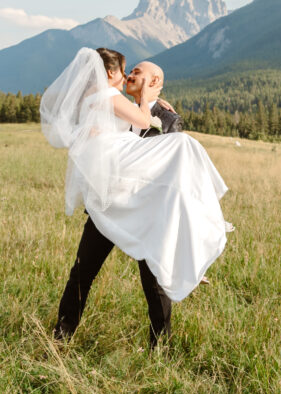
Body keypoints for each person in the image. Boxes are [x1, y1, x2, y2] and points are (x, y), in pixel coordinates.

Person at [42, 47, 230, 348]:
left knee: (153, 282)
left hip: (147, 212)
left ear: (155, 81)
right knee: (82, 271)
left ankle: (160, 346)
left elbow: (172, 172)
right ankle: (61, 335)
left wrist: (151, 106)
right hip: (107, 205)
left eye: (138, 73)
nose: (131, 75)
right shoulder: (112, 105)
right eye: (130, 71)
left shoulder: (167, 118)